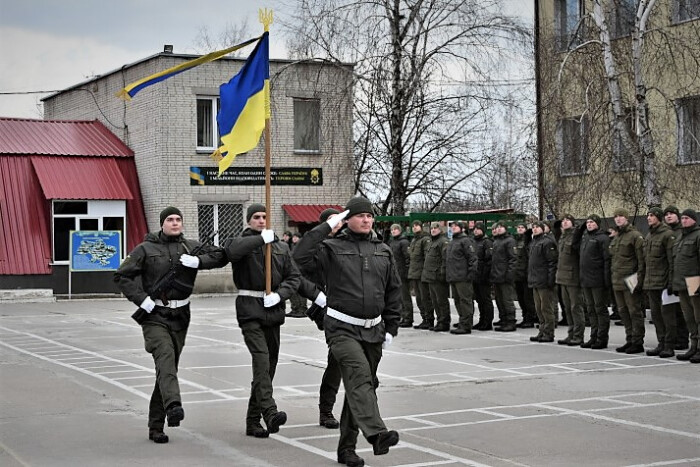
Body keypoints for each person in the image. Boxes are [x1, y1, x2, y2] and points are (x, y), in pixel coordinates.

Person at [294, 196, 401, 467]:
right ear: (347, 219)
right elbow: (299, 257)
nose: (366, 220)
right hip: (342, 328)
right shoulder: (330, 248)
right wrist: (325, 227)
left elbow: (393, 290)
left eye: (369, 216)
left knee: (361, 386)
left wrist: (391, 327)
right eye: (360, 215)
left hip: (374, 329)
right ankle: (376, 434)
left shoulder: (383, 250)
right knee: (360, 378)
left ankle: (346, 449)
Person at [114, 206, 224, 444]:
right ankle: (174, 405)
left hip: (182, 315)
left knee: (167, 370)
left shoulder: (190, 246)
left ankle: (156, 427)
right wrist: (142, 299)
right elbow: (122, 275)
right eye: (170, 219)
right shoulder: (145, 249)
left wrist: (198, 261)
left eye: (178, 219)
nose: (175, 223)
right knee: (165, 358)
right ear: (162, 223)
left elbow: (221, 256)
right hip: (155, 315)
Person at [223, 203, 301, 438]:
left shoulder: (279, 246)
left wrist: (280, 294)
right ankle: (269, 410)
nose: (260, 220)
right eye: (256, 217)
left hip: (273, 308)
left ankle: (252, 420)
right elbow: (232, 252)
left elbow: (294, 276)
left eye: (264, 216)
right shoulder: (240, 241)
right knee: (261, 359)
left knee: (269, 366)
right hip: (250, 309)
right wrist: (260, 240)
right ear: (248, 220)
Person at [293, 207, 346, 429]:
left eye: (339, 221)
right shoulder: (317, 249)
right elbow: (298, 259)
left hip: (355, 309)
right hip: (329, 311)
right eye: (331, 222)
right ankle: (326, 410)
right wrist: (317, 295)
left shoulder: (349, 244)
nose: (337, 225)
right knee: (337, 360)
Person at [610, 208, 646, 354]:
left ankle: (637, 341)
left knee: (634, 311)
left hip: (630, 279)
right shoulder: (617, 237)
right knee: (623, 311)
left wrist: (639, 280)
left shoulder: (635, 236)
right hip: (617, 279)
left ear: (627, 218)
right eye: (616, 217)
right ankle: (629, 338)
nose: (618, 219)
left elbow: (641, 261)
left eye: (621, 216)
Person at [642, 207, 677, 358]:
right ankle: (661, 342)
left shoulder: (667, 235)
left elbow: (671, 261)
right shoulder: (649, 235)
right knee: (656, 315)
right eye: (648, 215)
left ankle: (669, 345)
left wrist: (671, 282)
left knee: (667, 316)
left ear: (658, 217)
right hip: (651, 283)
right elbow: (646, 262)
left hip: (664, 283)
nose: (649, 218)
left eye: (652, 215)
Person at [671, 208, 700, 363]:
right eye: (682, 218)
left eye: (687, 218)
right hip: (681, 282)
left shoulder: (697, 235)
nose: (684, 221)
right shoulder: (680, 237)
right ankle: (694, 346)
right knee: (689, 317)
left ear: (694, 220)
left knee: (698, 316)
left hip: (695, 280)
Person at [578, 214, 612, 349]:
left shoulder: (603, 238)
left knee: (600, 309)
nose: (589, 224)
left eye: (592, 222)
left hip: (598, 280)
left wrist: (606, 281)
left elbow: (606, 260)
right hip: (586, 279)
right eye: (587, 222)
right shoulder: (586, 238)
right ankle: (594, 335)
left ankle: (602, 338)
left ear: (597, 223)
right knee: (591, 309)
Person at [556, 214, 585, 346]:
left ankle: (578, 335)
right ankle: (571, 333)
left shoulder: (576, 236)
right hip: (562, 276)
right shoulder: (562, 236)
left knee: (575, 307)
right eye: (563, 220)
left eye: (567, 220)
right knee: (567, 308)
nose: (565, 222)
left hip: (573, 277)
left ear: (573, 223)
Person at [664, 205, 690, 350]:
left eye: (672, 214)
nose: (669, 216)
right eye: (666, 214)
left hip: (686, 278)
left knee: (685, 311)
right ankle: (676, 339)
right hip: (671, 277)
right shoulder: (667, 233)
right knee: (672, 311)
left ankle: (684, 339)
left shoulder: (682, 233)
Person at [527, 221, 559, 342]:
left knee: (546, 308)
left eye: (537, 227)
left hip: (544, 280)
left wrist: (550, 280)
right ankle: (542, 330)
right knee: (539, 308)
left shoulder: (547, 242)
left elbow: (552, 262)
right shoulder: (534, 242)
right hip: (535, 279)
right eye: (533, 227)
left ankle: (549, 332)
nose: (534, 229)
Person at [446, 221, 478, 334]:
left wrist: (471, 274)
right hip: (454, 276)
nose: (453, 228)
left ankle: (466, 324)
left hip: (463, 276)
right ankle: (462, 321)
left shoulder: (465, 241)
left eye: (455, 227)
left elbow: (472, 258)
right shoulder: (453, 241)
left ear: (462, 229)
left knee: (465, 301)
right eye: (452, 227)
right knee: (458, 301)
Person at [422, 222, 451, 332]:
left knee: (441, 301)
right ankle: (440, 321)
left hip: (438, 277)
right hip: (431, 277)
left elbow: (445, 259)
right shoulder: (432, 242)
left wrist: (442, 273)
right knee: (435, 301)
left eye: (435, 228)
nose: (433, 230)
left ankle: (444, 322)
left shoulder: (443, 242)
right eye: (432, 228)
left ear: (440, 230)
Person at [490, 221, 518, 332]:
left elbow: (513, 259)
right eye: (498, 227)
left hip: (505, 276)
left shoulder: (509, 241)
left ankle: (511, 321)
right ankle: (503, 319)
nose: (499, 229)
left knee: (507, 300)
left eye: (501, 227)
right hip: (497, 275)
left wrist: (509, 274)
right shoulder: (496, 241)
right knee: (499, 300)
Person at [408, 221, 434, 330]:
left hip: (422, 274)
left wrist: (425, 272)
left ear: (421, 227)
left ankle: (429, 319)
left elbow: (427, 257)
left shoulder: (425, 239)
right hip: (414, 273)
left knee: (425, 298)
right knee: (419, 298)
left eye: (416, 226)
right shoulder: (414, 240)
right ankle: (424, 318)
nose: (414, 228)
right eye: (413, 226)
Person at [389, 224, 414, 327]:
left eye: (395, 229)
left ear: (400, 230)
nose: (393, 231)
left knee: (405, 297)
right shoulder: (393, 242)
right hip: (395, 273)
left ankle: (408, 318)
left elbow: (407, 258)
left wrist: (407, 272)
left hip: (402, 273)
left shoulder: (403, 242)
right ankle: (403, 316)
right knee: (399, 298)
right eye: (392, 230)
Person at [513, 223, 537, 328]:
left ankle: (530, 318)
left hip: (526, 273)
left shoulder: (528, 241)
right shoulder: (515, 240)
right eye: (518, 227)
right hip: (517, 274)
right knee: (521, 298)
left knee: (528, 299)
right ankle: (525, 317)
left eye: (522, 227)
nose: (520, 229)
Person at [472, 223, 495, 331]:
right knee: (479, 300)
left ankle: (488, 322)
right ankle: (482, 320)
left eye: (478, 229)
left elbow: (489, 260)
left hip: (484, 276)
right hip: (475, 275)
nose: (476, 231)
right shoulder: (474, 242)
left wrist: (485, 275)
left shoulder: (487, 242)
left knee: (486, 300)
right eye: (475, 229)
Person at [287, 232, 308, 318]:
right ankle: (295, 309)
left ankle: (302, 310)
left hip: (301, 271)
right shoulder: (291, 246)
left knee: (301, 291)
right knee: (293, 291)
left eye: (296, 237)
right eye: (294, 237)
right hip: (292, 271)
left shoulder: (302, 247)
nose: (294, 239)